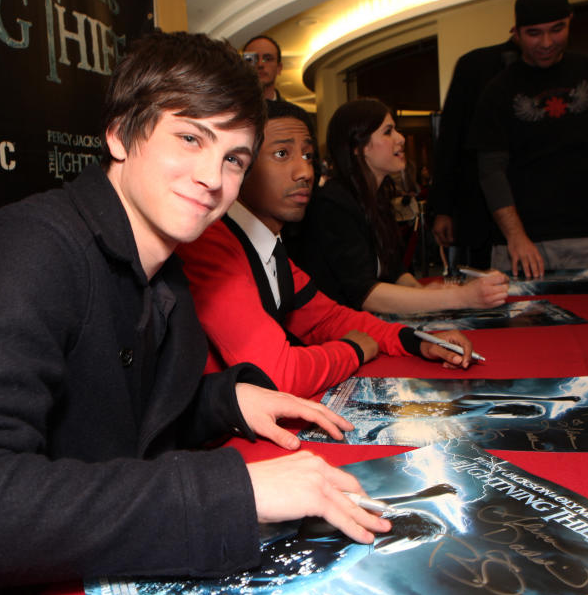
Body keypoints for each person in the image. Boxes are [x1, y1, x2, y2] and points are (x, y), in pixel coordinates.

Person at [0, 31, 392, 595]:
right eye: (189, 138)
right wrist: (236, 493)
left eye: (234, 157)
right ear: (120, 133)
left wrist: (224, 401)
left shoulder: (167, 270)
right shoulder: (29, 248)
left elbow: (114, 417)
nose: (213, 177)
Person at [176, 101, 475, 399]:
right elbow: (278, 375)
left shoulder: (267, 244)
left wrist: (416, 340)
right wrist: (354, 349)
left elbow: (327, 319)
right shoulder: (210, 242)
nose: (304, 171)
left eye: (308, 155)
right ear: (238, 164)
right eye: (282, 154)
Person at [471, 0, 588, 278]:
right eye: (534, 33)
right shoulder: (497, 90)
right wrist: (515, 236)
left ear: (570, 21)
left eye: (556, 29)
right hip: (523, 243)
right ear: (516, 33)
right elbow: (491, 169)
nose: (546, 42)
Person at [289, 97, 509, 314]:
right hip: (333, 335)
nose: (401, 138)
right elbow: (366, 294)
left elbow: (393, 269)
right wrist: (460, 297)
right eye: (388, 132)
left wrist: (422, 291)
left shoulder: (374, 198)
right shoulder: (332, 204)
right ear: (358, 146)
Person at [429, 37, 521, 271]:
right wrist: (443, 209)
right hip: (481, 211)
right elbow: (449, 140)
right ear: (517, 31)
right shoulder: (475, 66)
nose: (546, 43)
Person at [243, 35, 284, 101]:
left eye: (267, 59)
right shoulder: (228, 109)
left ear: (279, 68)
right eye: (253, 59)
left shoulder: (295, 111)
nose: (260, 64)